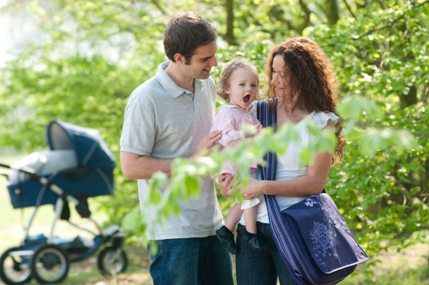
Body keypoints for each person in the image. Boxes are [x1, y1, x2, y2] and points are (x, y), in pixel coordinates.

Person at [120, 12, 234, 285]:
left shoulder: (206, 86)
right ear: (179, 58)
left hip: (211, 223)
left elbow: (209, 145)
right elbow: (131, 166)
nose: (214, 64)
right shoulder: (146, 99)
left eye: (214, 55)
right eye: (205, 59)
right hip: (172, 232)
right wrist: (192, 161)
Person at [220, 37, 344, 285]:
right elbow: (229, 145)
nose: (274, 81)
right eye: (273, 72)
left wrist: (263, 187)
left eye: (282, 74)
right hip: (251, 229)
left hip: (294, 227)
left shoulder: (321, 123)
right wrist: (226, 178)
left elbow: (314, 183)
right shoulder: (256, 110)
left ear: (303, 76)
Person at [210, 59, 262, 254]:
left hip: (243, 163)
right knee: (248, 195)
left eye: (253, 85)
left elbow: (257, 133)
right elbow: (225, 137)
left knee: (244, 197)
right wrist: (246, 134)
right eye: (241, 85)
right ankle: (251, 235)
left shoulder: (247, 113)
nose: (248, 88)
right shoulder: (226, 112)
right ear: (227, 89)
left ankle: (227, 229)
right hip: (231, 164)